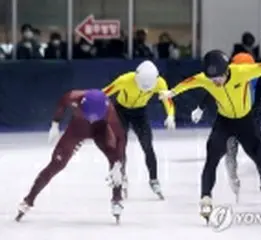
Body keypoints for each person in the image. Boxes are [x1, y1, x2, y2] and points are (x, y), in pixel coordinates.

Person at [160, 49, 261, 223]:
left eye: (219, 78)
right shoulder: (205, 79)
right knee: (211, 159)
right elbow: (188, 83)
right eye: (212, 80)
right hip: (224, 123)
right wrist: (171, 93)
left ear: (227, 70)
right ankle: (206, 199)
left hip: (247, 124)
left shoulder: (243, 71)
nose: (216, 82)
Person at [16, 89, 125, 223]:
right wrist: (55, 124)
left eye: (94, 117)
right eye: (88, 115)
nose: (91, 119)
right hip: (78, 129)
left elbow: (120, 138)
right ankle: (29, 199)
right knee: (56, 164)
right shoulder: (73, 97)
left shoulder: (110, 111)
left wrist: (118, 164)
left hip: (100, 131)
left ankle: (117, 198)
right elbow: (61, 104)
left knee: (116, 163)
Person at [191, 52, 261, 204]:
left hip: (247, 115)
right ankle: (243, 179)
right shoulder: (237, 75)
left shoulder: (249, 75)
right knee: (239, 149)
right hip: (231, 117)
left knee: (253, 150)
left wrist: (201, 108)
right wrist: (200, 107)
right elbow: (213, 92)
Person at [102, 60, 175, 199]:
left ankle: (154, 180)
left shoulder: (160, 82)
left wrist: (171, 115)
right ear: (137, 77)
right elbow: (104, 93)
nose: (143, 90)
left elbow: (167, 99)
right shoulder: (125, 80)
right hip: (120, 112)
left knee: (148, 146)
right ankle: (121, 176)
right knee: (120, 146)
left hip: (140, 114)